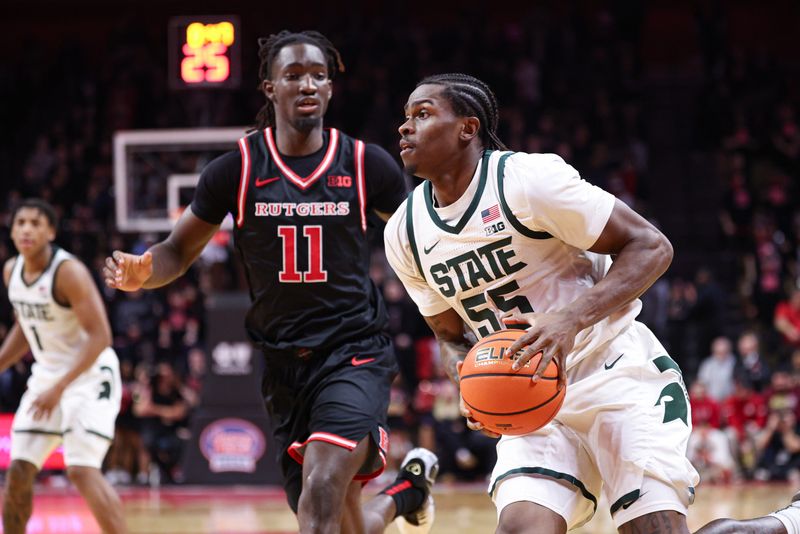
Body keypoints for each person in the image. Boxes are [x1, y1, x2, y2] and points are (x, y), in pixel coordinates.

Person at [384, 72, 800, 534]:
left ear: (468, 128)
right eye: (406, 116)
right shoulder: (404, 231)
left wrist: (568, 321)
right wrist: (468, 380)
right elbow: (449, 335)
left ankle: (786, 523)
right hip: (531, 396)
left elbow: (651, 246)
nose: (405, 127)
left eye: (422, 114)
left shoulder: (527, 181)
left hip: (614, 371)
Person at [103, 30, 437, 534]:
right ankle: (407, 493)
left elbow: (425, 244)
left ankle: (402, 491)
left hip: (354, 351)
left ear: (330, 88)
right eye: (294, 75)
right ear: (269, 87)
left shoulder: (367, 164)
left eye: (319, 75)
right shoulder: (236, 170)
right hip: (283, 365)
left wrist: (454, 327)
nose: (308, 84)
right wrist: (146, 269)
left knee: (321, 490)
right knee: (333, 519)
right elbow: (178, 251)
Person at [0, 199, 126, 534]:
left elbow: (101, 336)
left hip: (90, 373)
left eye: (36, 223)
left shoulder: (68, 272)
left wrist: (59, 388)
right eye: (21, 223)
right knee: (19, 471)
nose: (27, 229)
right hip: (48, 375)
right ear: (12, 232)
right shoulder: (12, 271)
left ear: (51, 232)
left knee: (81, 470)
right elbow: (25, 326)